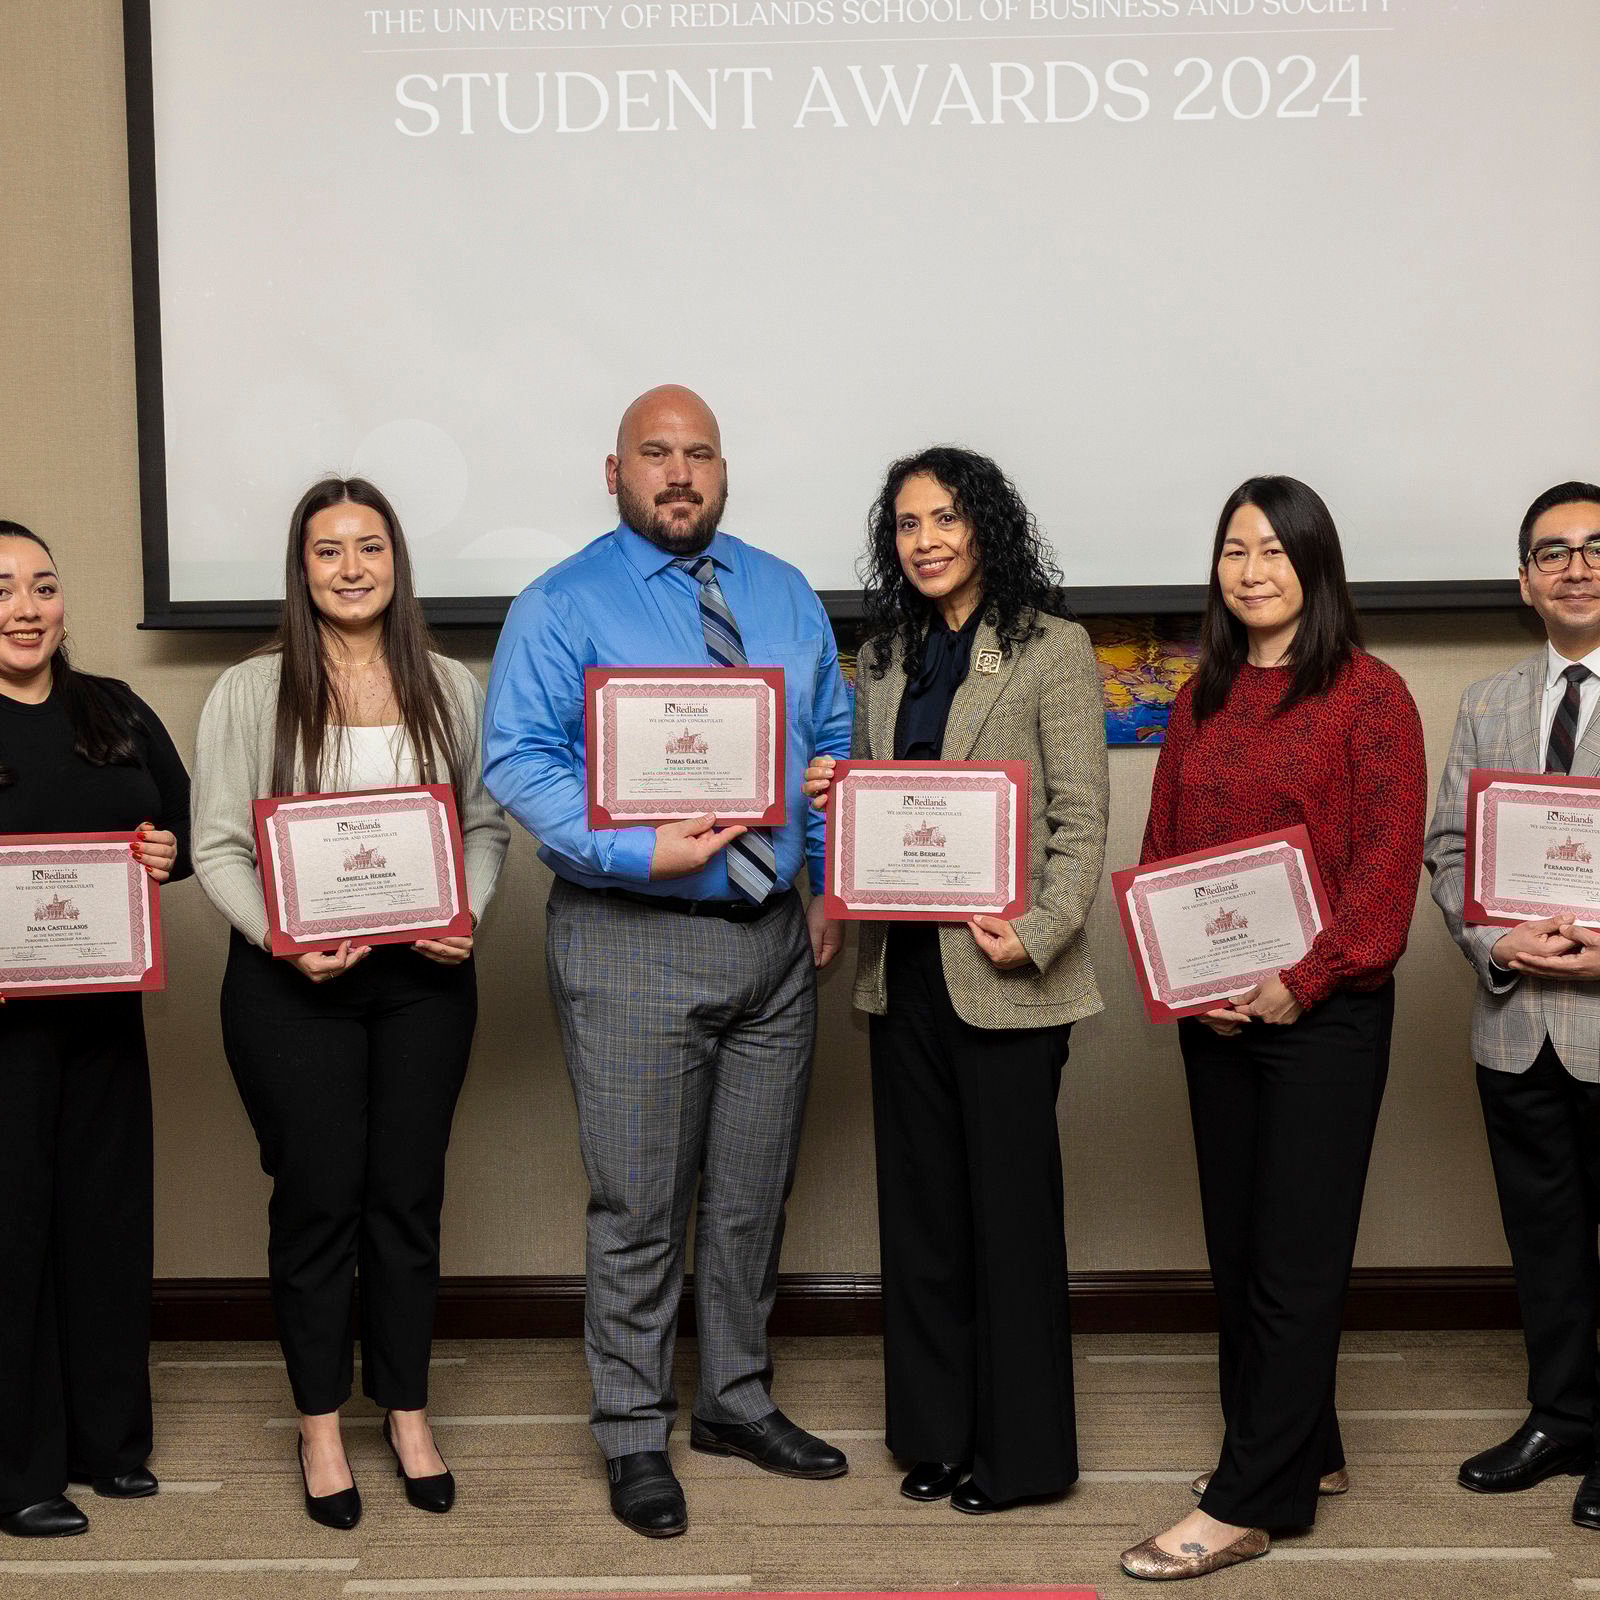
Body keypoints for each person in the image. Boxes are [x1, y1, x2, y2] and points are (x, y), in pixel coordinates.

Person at [483, 385, 854, 1538]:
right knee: (640, 1204)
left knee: (749, 1196)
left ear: (723, 470)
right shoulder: (559, 604)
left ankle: (735, 1401)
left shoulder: (783, 592)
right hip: (629, 935)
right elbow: (519, 759)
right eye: (656, 454)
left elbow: (833, 742)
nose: (679, 473)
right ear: (615, 471)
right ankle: (634, 1430)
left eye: (699, 454)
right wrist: (637, 847)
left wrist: (830, 875)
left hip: (773, 945)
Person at [1120, 476, 1426, 1581]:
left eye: (1273, 550)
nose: (1251, 570)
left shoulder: (1368, 695)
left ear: (1314, 564)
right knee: (1243, 1250)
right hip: (1220, 1025)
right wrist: (1178, 972)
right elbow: (1162, 855)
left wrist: (1305, 979)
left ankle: (1249, 1499)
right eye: (1233, 550)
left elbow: (1386, 877)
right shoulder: (1199, 699)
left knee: (1295, 1262)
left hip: (1325, 1017)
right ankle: (1307, 1445)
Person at [191, 478, 507, 1529]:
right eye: (328, 551)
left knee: (406, 1198)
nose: (352, 567)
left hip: (424, 984)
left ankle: (407, 1412)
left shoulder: (451, 688)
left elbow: (485, 828)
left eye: (370, 546)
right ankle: (320, 1423)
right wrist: (279, 934)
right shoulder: (249, 690)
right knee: (319, 1201)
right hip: (292, 990)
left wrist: (466, 907)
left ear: (397, 561)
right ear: (302, 569)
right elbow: (220, 848)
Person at [802, 447, 1108, 1514]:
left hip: (1005, 971)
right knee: (923, 1218)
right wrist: (838, 796)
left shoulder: (1051, 648)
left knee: (1008, 1221)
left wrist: (1037, 930)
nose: (925, 540)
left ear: (984, 527)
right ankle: (933, 1435)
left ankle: (1020, 1455)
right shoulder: (881, 657)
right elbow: (884, 813)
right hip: (905, 972)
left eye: (944, 518)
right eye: (905, 524)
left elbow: (1080, 821)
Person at [0, 521, 189, 1538]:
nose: (26, 608)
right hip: (4, 1038)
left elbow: (186, 831)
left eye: (43, 585)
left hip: (109, 1013)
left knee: (106, 1222)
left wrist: (162, 852)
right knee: (13, 1229)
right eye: (1, 589)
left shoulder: (111, 706)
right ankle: (18, 1465)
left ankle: (107, 1443)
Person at [1425, 481, 1600, 1528]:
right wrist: (1498, 939)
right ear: (1524, 582)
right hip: (1514, 1020)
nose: (1576, 565)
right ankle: (1562, 1414)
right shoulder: (1488, 701)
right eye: (1553, 552)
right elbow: (1449, 850)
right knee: (1542, 1237)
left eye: (1595, 547)